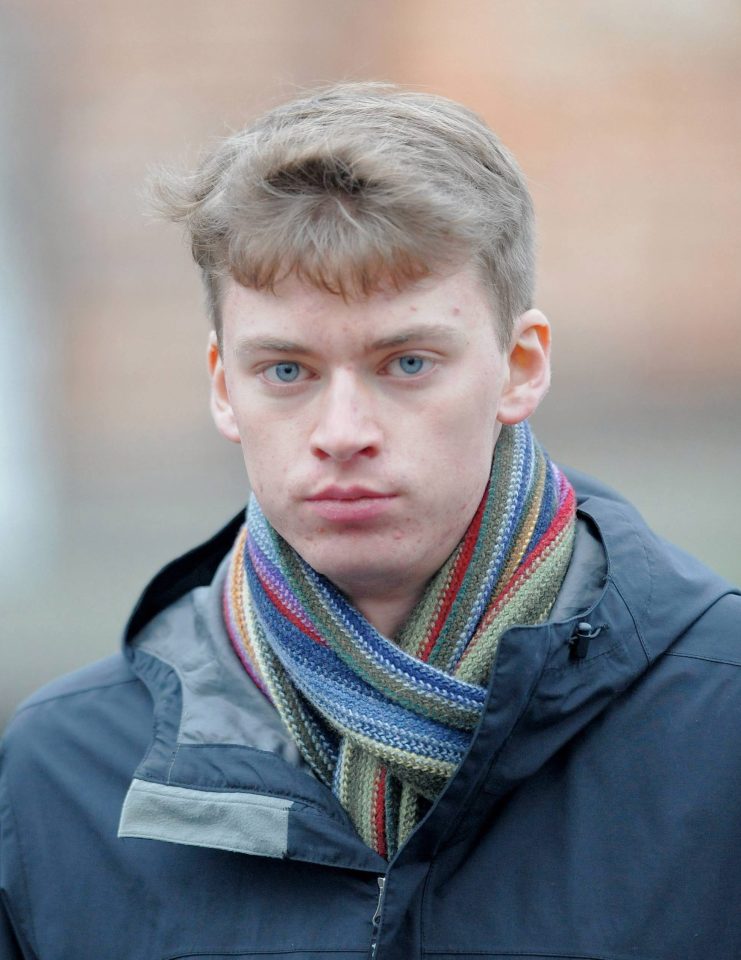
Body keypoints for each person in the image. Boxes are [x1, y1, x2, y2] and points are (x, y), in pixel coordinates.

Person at [1, 82, 739, 960]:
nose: (341, 434)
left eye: (407, 362)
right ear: (220, 384)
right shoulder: (63, 774)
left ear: (519, 365)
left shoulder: (718, 723)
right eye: (286, 371)